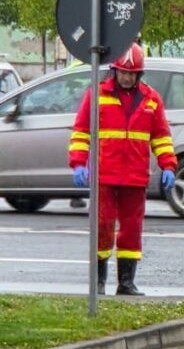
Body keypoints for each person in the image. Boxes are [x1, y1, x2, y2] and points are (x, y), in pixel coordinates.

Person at [67, 43, 177, 295]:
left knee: (132, 229)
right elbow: (81, 131)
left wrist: (168, 165)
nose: (127, 77)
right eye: (123, 73)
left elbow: (161, 137)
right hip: (105, 174)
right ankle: (99, 281)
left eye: (132, 74)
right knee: (103, 226)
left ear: (139, 74)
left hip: (135, 177)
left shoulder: (151, 99)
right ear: (114, 71)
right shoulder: (96, 94)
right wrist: (78, 163)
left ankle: (126, 282)